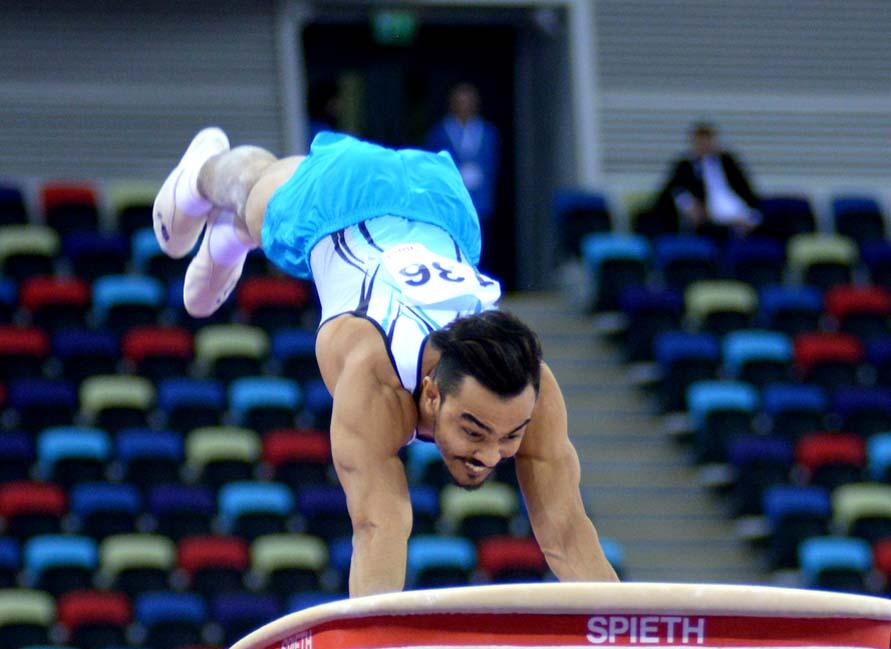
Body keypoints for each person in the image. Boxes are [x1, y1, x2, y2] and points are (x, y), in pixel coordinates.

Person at [153, 127, 617, 596]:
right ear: (431, 394)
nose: (490, 456)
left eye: (510, 436)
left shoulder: (528, 386)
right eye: (475, 431)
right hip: (340, 201)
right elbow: (379, 528)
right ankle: (203, 178)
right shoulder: (374, 374)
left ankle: (229, 238)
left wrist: (631, 638)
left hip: (442, 207)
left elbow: (566, 533)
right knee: (254, 191)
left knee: (238, 239)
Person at [426, 83, 500, 269]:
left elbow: (492, 162)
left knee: (482, 240)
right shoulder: (441, 131)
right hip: (453, 196)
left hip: (480, 197)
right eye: (461, 102)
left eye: (469, 102)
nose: (465, 107)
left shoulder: (487, 131)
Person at [647, 121, 761, 240]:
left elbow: (746, 190)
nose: (704, 146)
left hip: (738, 213)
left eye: (707, 142)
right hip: (708, 217)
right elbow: (672, 191)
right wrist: (688, 204)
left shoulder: (728, 163)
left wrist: (751, 216)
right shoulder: (685, 166)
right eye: (700, 143)